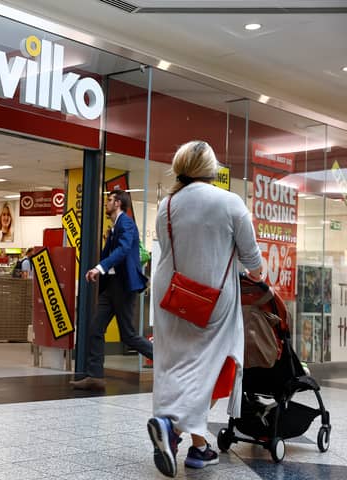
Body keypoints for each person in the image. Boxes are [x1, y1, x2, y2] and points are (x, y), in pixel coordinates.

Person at [147, 140, 262, 477]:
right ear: (212, 170)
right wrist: (258, 274)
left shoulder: (167, 204)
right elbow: (251, 259)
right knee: (219, 367)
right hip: (212, 301)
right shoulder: (230, 202)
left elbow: (167, 246)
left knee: (178, 367)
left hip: (171, 296)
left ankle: (200, 448)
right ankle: (172, 430)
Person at [70, 189, 152, 391]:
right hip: (112, 286)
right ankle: (95, 376)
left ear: (118, 203)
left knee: (128, 336)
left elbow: (123, 250)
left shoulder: (126, 223)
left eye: (109, 200)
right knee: (95, 329)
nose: (106, 203)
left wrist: (100, 267)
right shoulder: (115, 227)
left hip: (124, 287)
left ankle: (167, 362)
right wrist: (101, 268)